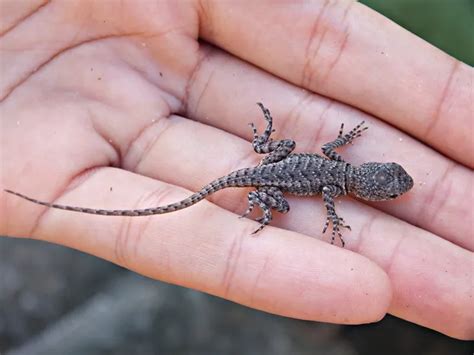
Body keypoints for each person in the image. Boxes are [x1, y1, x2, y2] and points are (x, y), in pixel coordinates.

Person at [1, 1, 472, 340]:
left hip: (272, 164)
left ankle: (263, 172)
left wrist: (327, 154)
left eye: (389, 184)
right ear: (369, 180)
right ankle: (262, 202)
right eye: (389, 181)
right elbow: (329, 191)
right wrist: (321, 214)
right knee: (278, 201)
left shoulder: (336, 169)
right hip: (268, 177)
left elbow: (329, 159)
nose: (392, 184)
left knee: (277, 167)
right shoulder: (335, 181)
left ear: (371, 179)